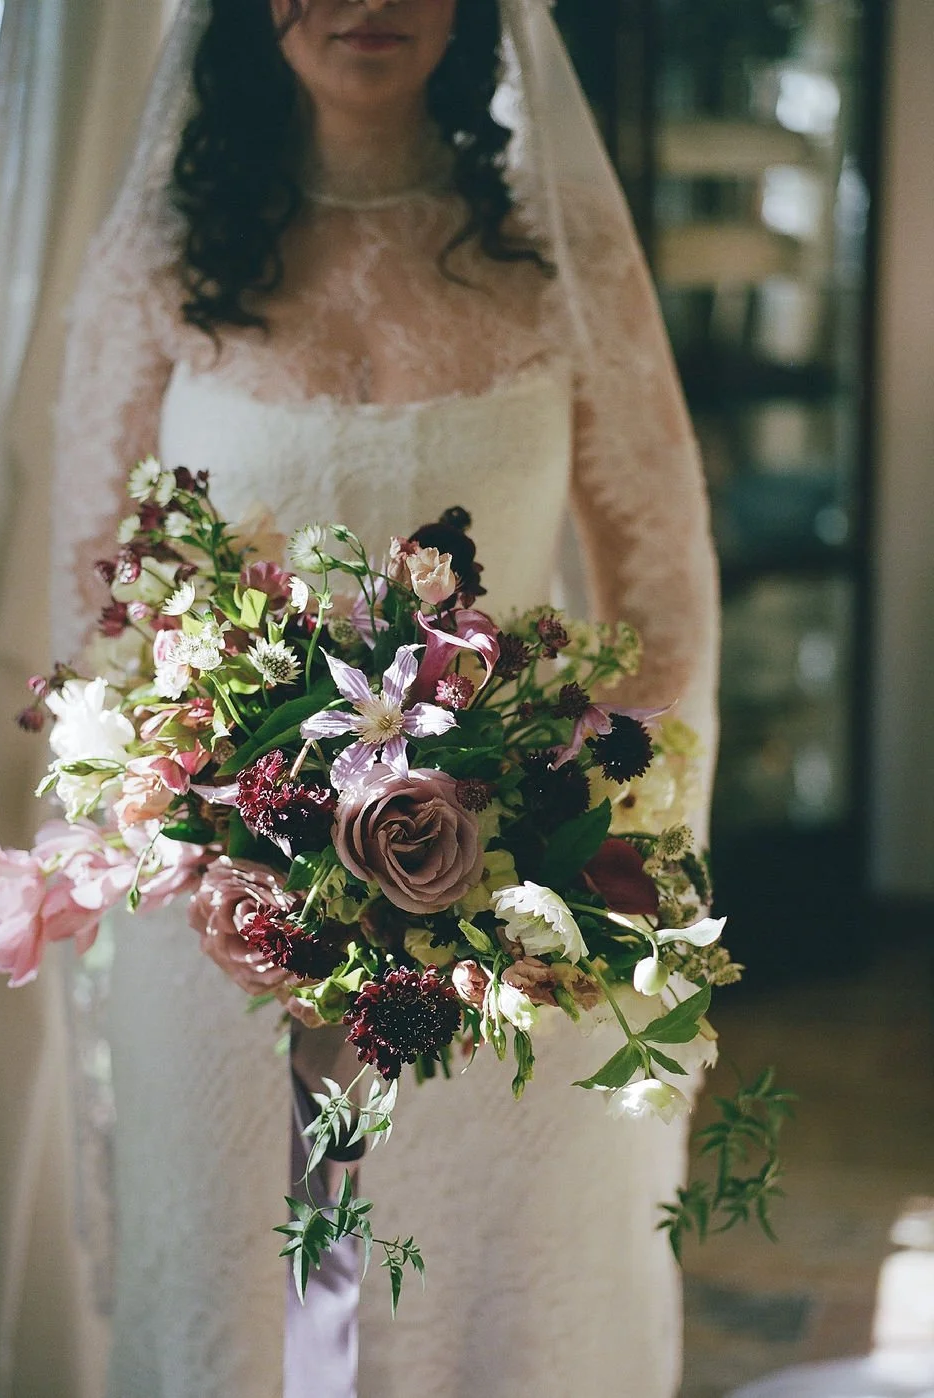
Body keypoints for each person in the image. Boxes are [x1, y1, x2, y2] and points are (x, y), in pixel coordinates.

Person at [52, 1, 720, 1394]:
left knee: (485, 1295)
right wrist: (219, 819)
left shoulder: (560, 258)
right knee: (244, 1297)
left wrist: (522, 818)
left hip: (504, 926)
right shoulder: (166, 259)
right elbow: (91, 575)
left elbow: (662, 590)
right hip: (221, 924)